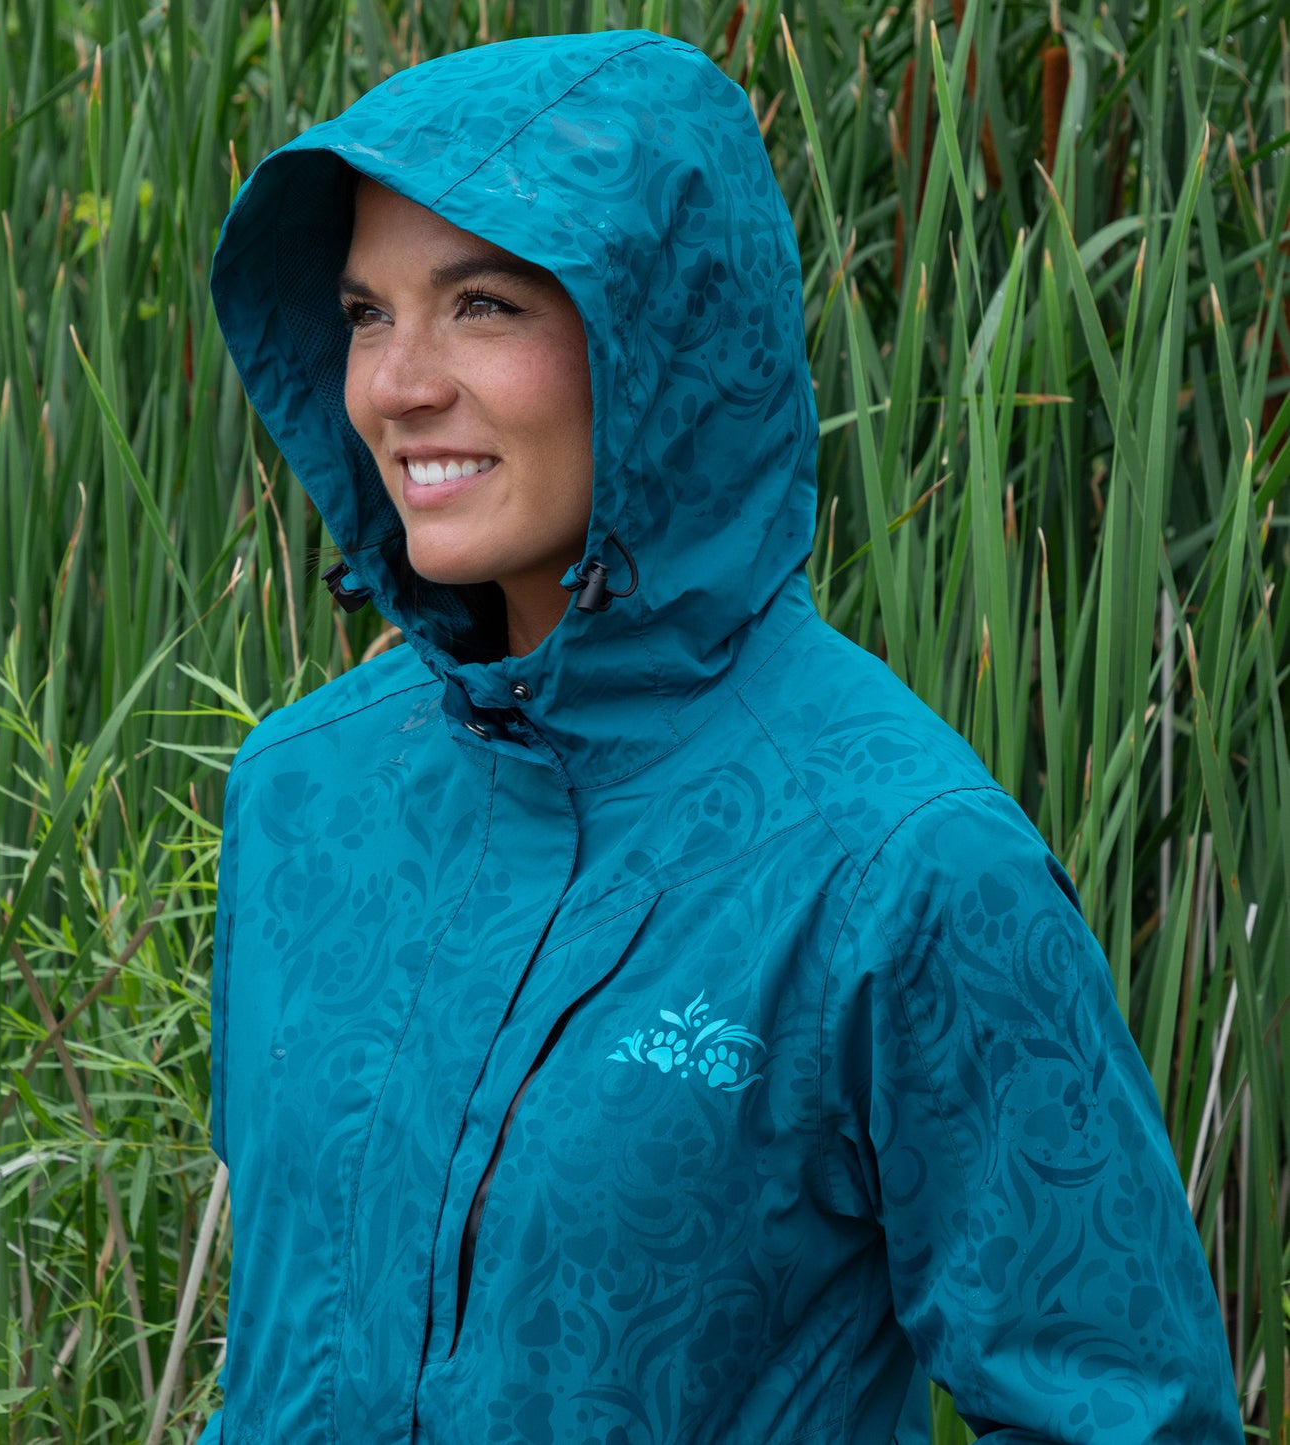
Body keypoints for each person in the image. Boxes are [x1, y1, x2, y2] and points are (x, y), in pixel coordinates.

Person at [202, 29, 1241, 1445]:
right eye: (365, 312)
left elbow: (1119, 1414)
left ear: (664, 334)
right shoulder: (304, 792)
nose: (396, 383)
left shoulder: (900, 866)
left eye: (485, 305)